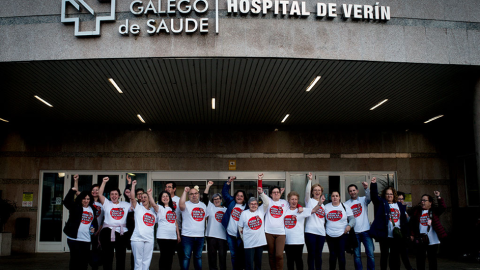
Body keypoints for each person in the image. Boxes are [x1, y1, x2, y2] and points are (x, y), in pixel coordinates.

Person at [370, 177, 408, 270]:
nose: (389, 195)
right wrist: (374, 185)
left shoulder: (399, 205)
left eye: (391, 194)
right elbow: (374, 197)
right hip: (385, 235)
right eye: (387, 194)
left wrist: (406, 233)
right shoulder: (381, 203)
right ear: (384, 195)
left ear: (394, 195)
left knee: (395, 256)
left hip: (397, 235)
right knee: (384, 256)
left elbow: (403, 221)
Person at [284, 191, 324, 270]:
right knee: (289, 261)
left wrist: (319, 203)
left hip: (299, 240)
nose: (294, 201)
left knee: (298, 260)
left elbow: (313, 210)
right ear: (288, 200)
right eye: (292, 199)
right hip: (287, 240)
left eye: (296, 199)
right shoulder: (285, 210)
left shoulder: (302, 210)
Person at [98, 176, 132, 270]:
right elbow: (100, 194)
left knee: (121, 258)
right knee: (107, 257)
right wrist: (104, 182)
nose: (114, 196)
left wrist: (129, 193)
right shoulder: (107, 204)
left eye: (116, 194)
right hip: (107, 232)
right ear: (109, 195)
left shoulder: (125, 204)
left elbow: (134, 205)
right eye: (112, 194)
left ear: (119, 195)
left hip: (122, 233)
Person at [73, 174, 104, 270]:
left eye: (97, 190)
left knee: (95, 253)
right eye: (93, 190)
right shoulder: (87, 200)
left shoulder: (103, 202)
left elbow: (104, 219)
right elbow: (76, 192)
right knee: (84, 253)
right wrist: (76, 180)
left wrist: (99, 230)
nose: (95, 191)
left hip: (98, 231)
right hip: (86, 232)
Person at [63, 187, 98, 270]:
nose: (86, 201)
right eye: (84, 199)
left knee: (84, 262)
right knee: (74, 261)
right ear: (81, 199)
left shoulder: (92, 209)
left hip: (86, 239)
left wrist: (94, 228)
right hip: (74, 238)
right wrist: (72, 191)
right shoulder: (75, 207)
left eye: (88, 199)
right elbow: (66, 202)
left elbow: (94, 223)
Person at [410, 191, 447, 270]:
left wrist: (438, 197)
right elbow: (412, 224)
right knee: (420, 259)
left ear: (430, 202)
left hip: (432, 240)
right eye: (421, 200)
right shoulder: (417, 212)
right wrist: (412, 234)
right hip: (420, 239)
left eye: (424, 200)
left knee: (432, 260)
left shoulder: (434, 211)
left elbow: (443, 207)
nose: (422, 202)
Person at [344, 181, 374, 270]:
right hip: (354, 233)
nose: (352, 192)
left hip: (366, 231)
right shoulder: (346, 204)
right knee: (357, 255)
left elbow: (370, 198)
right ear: (349, 192)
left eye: (354, 190)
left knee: (371, 254)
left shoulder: (363, 200)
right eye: (350, 191)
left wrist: (366, 188)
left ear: (357, 191)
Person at [238, 187, 270, 270]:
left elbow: (266, 202)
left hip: (259, 242)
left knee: (258, 264)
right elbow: (240, 227)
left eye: (255, 204)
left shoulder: (261, 211)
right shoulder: (244, 213)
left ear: (257, 205)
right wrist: (244, 238)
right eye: (251, 204)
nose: (253, 205)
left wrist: (261, 193)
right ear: (248, 205)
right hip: (249, 243)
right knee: (249, 264)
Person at [221, 176, 248, 270]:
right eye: (237, 195)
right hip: (230, 234)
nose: (239, 197)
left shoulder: (247, 207)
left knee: (242, 255)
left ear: (244, 198)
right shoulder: (231, 202)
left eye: (241, 196)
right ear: (235, 196)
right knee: (233, 255)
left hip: (241, 236)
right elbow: (224, 193)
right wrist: (228, 182)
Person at [263, 173, 289, 270]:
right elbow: (261, 194)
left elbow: (294, 203)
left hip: (281, 233)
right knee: (271, 255)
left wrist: (299, 207)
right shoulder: (268, 202)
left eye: (277, 192)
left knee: (279, 255)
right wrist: (260, 179)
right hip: (269, 232)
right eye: (274, 192)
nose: (276, 193)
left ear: (280, 193)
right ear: (270, 194)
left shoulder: (284, 203)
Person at [129, 181, 157, 270]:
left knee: (146, 263)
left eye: (145, 197)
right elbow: (133, 198)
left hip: (149, 239)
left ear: (149, 199)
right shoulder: (138, 208)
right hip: (137, 239)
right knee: (138, 263)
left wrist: (150, 194)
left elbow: (154, 204)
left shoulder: (154, 211)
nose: (143, 198)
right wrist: (133, 185)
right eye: (142, 197)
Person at [324, 191, 355, 270]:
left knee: (341, 255)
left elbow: (352, 219)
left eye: (336, 196)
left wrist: (349, 225)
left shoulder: (345, 206)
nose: (335, 197)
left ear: (339, 197)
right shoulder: (326, 206)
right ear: (331, 197)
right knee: (332, 255)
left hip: (342, 234)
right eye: (333, 196)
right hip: (330, 234)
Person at [179, 185, 207, 270]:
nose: (194, 195)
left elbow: (205, 218)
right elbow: (180, 205)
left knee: (198, 257)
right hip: (187, 236)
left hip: (200, 236)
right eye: (191, 194)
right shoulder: (186, 204)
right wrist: (184, 191)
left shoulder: (203, 205)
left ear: (199, 195)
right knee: (186, 257)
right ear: (189, 196)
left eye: (196, 193)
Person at [203, 181, 228, 270]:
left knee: (222, 257)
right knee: (212, 257)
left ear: (221, 200)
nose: (216, 200)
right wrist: (208, 186)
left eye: (218, 199)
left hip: (223, 237)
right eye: (214, 199)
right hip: (211, 236)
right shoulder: (210, 207)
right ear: (213, 201)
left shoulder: (226, 209)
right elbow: (205, 197)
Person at [304, 172, 327, 270]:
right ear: (312, 192)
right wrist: (310, 180)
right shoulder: (309, 201)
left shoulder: (324, 205)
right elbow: (307, 192)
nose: (317, 192)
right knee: (311, 254)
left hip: (321, 233)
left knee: (319, 255)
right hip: (310, 232)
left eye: (319, 190)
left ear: (321, 192)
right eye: (315, 190)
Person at [156, 190, 181, 270]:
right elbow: (153, 204)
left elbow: (175, 222)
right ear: (160, 198)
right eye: (163, 196)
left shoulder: (172, 209)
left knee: (170, 257)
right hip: (162, 236)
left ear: (170, 198)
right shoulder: (159, 207)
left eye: (167, 196)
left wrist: (178, 234)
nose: (165, 198)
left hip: (172, 237)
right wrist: (149, 195)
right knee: (164, 256)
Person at [165, 181, 184, 267]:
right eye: (166, 187)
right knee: (168, 255)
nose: (167, 188)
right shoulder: (162, 199)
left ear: (174, 189)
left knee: (181, 254)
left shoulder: (179, 200)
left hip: (178, 229)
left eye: (169, 187)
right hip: (166, 230)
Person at [397, 192, 414, 270]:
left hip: (404, 235)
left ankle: (409, 268)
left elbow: (408, 223)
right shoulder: (395, 208)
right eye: (399, 199)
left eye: (402, 199)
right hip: (397, 234)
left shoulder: (405, 209)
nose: (401, 200)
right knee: (396, 255)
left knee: (404, 253)